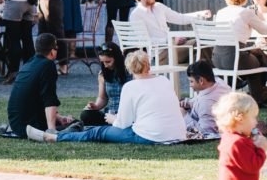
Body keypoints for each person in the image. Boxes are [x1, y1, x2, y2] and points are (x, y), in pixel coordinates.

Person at [30, 50, 187, 144]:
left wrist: (112, 119)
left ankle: (56, 137)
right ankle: (61, 135)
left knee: (98, 132)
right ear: (149, 66)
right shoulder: (164, 80)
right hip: (178, 135)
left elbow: (122, 124)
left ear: (130, 69)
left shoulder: (131, 87)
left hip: (151, 137)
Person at [215, 0, 267, 106]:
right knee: (257, 65)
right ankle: (261, 97)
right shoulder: (246, 12)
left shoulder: (221, 12)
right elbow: (266, 30)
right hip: (236, 57)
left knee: (257, 56)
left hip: (217, 57)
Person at [0, 34, 71, 139]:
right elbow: (49, 98)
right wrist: (52, 130)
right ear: (52, 51)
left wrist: (58, 118)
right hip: (30, 126)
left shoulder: (29, 63)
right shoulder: (48, 65)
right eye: (56, 47)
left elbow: (35, 99)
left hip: (16, 124)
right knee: (76, 124)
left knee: (66, 122)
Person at [130, 0, 208, 63]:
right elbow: (143, 40)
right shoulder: (136, 15)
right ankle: (212, 73)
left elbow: (179, 18)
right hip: (160, 55)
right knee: (201, 44)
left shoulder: (159, 7)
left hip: (173, 47)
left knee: (204, 41)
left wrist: (200, 14)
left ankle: (203, 73)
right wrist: (171, 40)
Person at [80, 44, 128, 126]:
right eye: (102, 62)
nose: (105, 65)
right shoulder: (102, 74)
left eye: (108, 61)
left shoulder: (130, 71)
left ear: (117, 58)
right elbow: (102, 98)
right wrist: (96, 106)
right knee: (86, 115)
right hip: (110, 114)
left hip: (127, 114)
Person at [179, 60, 227, 141]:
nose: (190, 85)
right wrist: (189, 103)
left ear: (201, 81)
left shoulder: (206, 103)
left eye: (191, 81)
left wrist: (184, 116)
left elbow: (205, 131)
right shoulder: (219, 82)